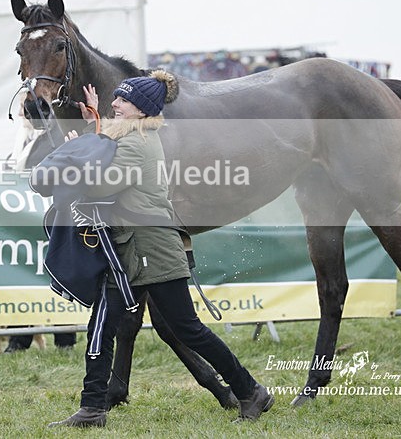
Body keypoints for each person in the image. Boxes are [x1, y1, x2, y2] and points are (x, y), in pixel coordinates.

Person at [48, 72, 272, 427]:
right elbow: (105, 154)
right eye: (115, 98)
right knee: (102, 326)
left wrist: (74, 154)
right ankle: (92, 407)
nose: (115, 104)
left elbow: (98, 187)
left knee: (188, 329)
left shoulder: (137, 143)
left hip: (152, 249)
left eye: (122, 100)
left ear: (142, 109)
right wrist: (93, 128)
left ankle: (250, 391)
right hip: (128, 251)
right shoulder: (132, 136)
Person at [1, 92, 76, 353]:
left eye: (27, 107)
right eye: (22, 106)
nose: (23, 112)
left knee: (55, 275)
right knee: (22, 278)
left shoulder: (56, 136)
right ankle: (19, 339)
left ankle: (64, 340)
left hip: (50, 217)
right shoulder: (20, 137)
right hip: (24, 220)